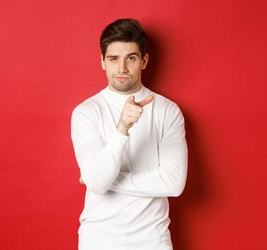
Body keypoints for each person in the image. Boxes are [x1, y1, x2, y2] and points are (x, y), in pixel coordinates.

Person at [70, 18, 188, 250]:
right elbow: (98, 181)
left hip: (153, 240)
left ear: (144, 61)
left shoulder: (167, 110)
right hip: (98, 239)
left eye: (131, 58)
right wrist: (122, 128)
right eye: (113, 58)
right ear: (102, 61)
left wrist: (102, 181)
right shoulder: (86, 112)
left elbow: (174, 184)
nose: (121, 68)